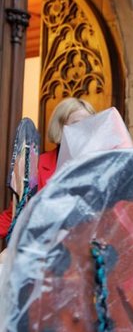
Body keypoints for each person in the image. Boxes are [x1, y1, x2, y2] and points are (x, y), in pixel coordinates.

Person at [0, 97, 96, 240]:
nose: (83, 130)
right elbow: (16, 215)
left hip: (84, 252)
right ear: (60, 127)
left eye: (88, 125)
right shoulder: (38, 165)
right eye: (77, 124)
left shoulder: (99, 165)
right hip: (44, 253)